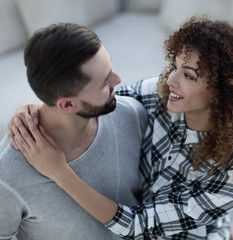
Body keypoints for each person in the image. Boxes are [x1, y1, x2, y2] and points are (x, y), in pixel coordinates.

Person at [9, 16, 233, 239]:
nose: (170, 79)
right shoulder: (158, 95)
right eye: (175, 66)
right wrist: (36, 105)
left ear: (223, 92)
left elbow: (138, 226)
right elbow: (95, 100)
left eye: (188, 75)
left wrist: (59, 172)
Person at [0, 23, 148, 240]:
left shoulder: (133, 115)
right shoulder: (8, 173)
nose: (117, 80)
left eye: (110, 68)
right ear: (67, 105)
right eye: (104, 82)